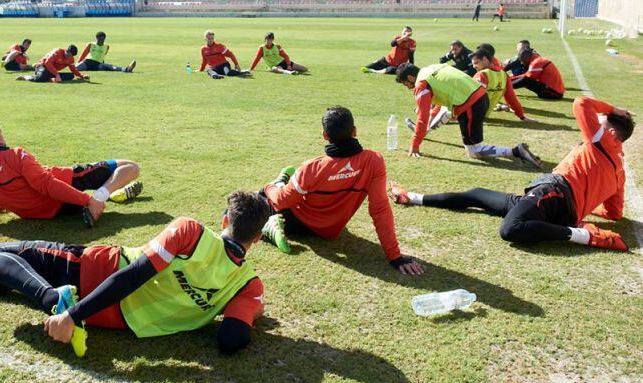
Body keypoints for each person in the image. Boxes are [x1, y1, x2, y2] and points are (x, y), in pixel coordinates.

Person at [0, 190, 271, 356]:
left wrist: (70, 312)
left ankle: (51, 297)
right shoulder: (248, 285)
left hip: (94, 272)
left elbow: (133, 275)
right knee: (11, 276)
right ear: (257, 237)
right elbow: (231, 340)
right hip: (116, 320)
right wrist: (247, 312)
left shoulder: (192, 232)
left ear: (224, 220)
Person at [390, 97, 634, 251]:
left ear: (612, 133)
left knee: (511, 229)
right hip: (557, 206)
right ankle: (411, 197)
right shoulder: (619, 170)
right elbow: (614, 213)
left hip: (554, 194)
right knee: (476, 195)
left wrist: (614, 109)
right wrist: (585, 201)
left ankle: (586, 236)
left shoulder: (602, 141)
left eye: (600, 123)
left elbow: (581, 103)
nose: (594, 126)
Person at [258, 106, 424, 275]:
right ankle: (276, 204)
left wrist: (268, 187)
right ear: (354, 131)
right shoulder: (374, 161)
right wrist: (395, 256)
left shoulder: (312, 167)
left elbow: (282, 200)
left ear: (324, 135)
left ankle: (271, 219)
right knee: (278, 193)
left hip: (298, 220)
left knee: (257, 199)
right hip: (330, 230)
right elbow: (380, 209)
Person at [0, 116, 142, 227]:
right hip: (66, 183)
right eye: (0, 131)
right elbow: (46, 184)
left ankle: (113, 195)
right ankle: (101, 197)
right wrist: (90, 200)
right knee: (130, 166)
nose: (3, 134)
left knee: (103, 185)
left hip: (56, 212)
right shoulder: (15, 155)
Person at [394, 62, 541, 167]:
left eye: (404, 83)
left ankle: (516, 151)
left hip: (470, 105)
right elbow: (441, 99)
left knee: (474, 151)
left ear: (411, 78)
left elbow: (422, 117)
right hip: (480, 97)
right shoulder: (432, 68)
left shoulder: (421, 85)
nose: (407, 88)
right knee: (447, 112)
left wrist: (415, 145)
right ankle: (428, 131)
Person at [471, 49, 534, 122]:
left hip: (470, 114)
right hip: (482, 115)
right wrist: (522, 116)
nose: (474, 66)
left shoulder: (482, 75)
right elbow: (511, 98)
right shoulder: (504, 75)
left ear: (485, 59)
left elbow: (471, 97)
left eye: (476, 63)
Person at [16, 45, 89, 83]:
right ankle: (26, 77)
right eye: (69, 55)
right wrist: (57, 75)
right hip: (42, 66)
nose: (70, 57)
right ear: (67, 51)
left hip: (52, 72)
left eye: (72, 56)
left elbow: (73, 69)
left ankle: (51, 79)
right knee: (39, 79)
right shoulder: (57, 52)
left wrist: (81, 76)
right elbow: (47, 63)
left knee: (71, 76)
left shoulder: (70, 58)